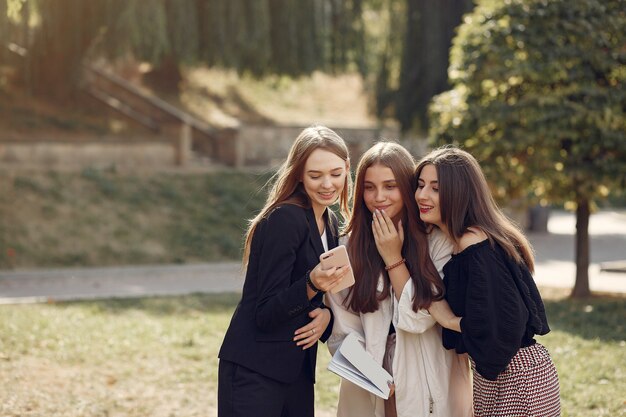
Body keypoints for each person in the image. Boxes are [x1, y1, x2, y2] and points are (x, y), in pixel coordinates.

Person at [326, 142, 472, 417]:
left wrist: (393, 257)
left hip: (428, 377)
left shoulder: (439, 242)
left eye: (390, 186)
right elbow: (342, 330)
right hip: (369, 383)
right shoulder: (346, 247)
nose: (378, 197)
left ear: (407, 188)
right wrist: (372, 374)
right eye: (369, 187)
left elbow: (422, 318)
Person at [218, 126, 353, 417]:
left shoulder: (329, 222)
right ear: (299, 174)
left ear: (347, 169)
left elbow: (313, 303)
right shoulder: (285, 218)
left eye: (336, 173)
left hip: (296, 373)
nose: (327, 184)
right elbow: (265, 312)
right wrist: (312, 284)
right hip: (254, 370)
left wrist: (327, 315)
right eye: (315, 175)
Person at [415, 146, 561, 416]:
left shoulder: (475, 242)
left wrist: (449, 321)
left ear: (459, 192)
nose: (422, 195)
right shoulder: (461, 242)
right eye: (421, 185)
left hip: (516, 377)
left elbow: (501, 325)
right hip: (495, 376)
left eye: (436, 188)